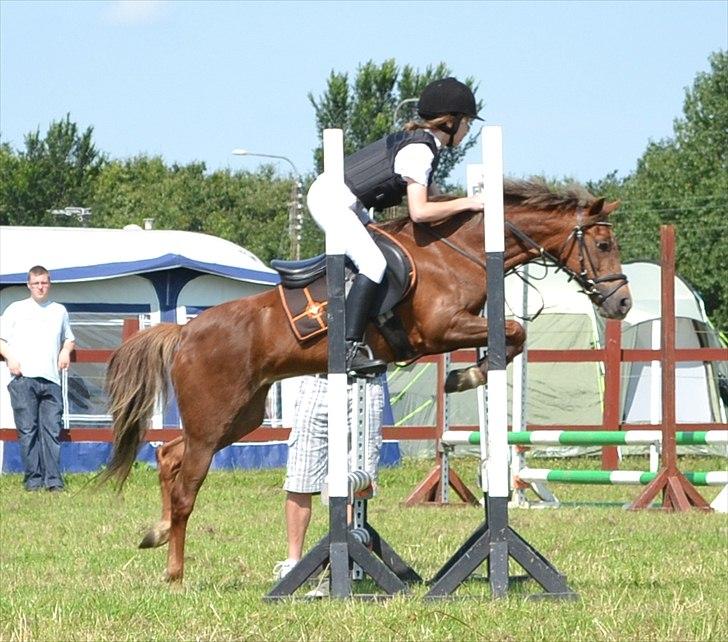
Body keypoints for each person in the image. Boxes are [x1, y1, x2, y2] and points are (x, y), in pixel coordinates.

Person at [306, 77, 484, 376]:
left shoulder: (426, 146)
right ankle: (346, 349)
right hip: (331, 201)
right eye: (467, 122)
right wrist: (469, 203)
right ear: (451, 122)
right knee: (374, 263)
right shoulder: (421, 151)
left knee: (387, 256)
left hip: (348, 203)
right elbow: (420, 211)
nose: (467, 131)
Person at [274, 374, 385, 587]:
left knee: (357, 480)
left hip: (366, 379)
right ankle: (292, 562)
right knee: (300, 477)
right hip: (317, 380)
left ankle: (346, 561)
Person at [0, 266, 75, 492]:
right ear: (29, 285)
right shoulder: (15, 309)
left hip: (51, 379)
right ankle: (33, 479)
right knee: (28, 430)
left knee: (51, 430)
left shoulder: (59, 311)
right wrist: (11, 359)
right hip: (23, 378)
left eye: (44, 283)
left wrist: (65, 351)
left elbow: (70, 338)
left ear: (49, 283)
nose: (40, 287)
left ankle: (53, 480)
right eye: (36, 283)